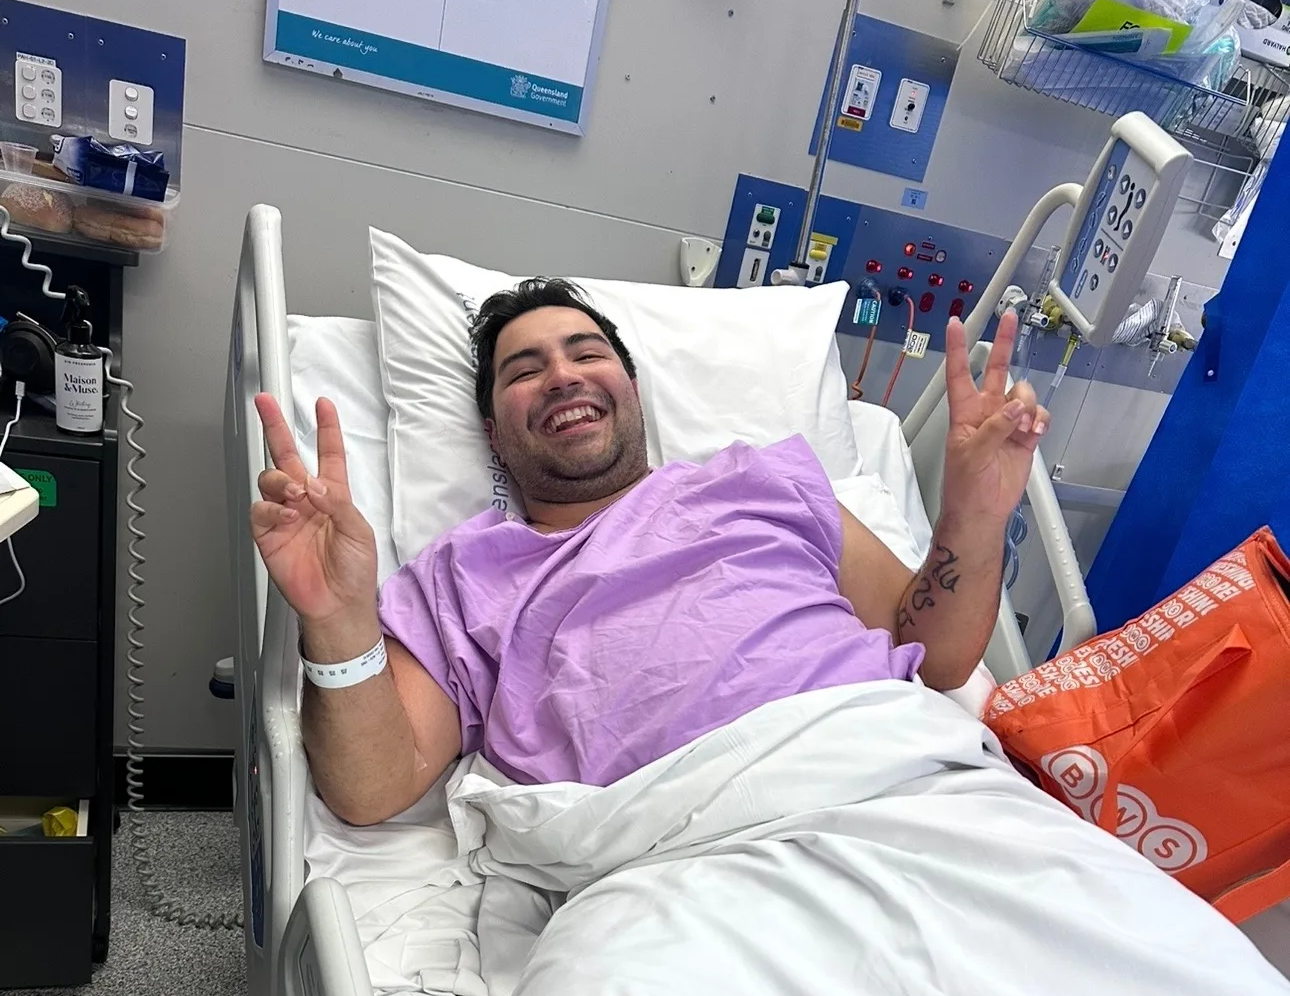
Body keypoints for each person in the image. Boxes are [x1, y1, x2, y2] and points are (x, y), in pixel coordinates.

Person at [251, 279, 1049, 821]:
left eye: (587, 353)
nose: (563, 376)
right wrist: (338, 617)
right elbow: (373, 787)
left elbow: (933, 655)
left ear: (631, 389)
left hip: (892, 779)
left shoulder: (766, 482)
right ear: (493, 432)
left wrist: (971, 519)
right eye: (524, 371)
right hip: (672, 850)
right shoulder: (468, 575)